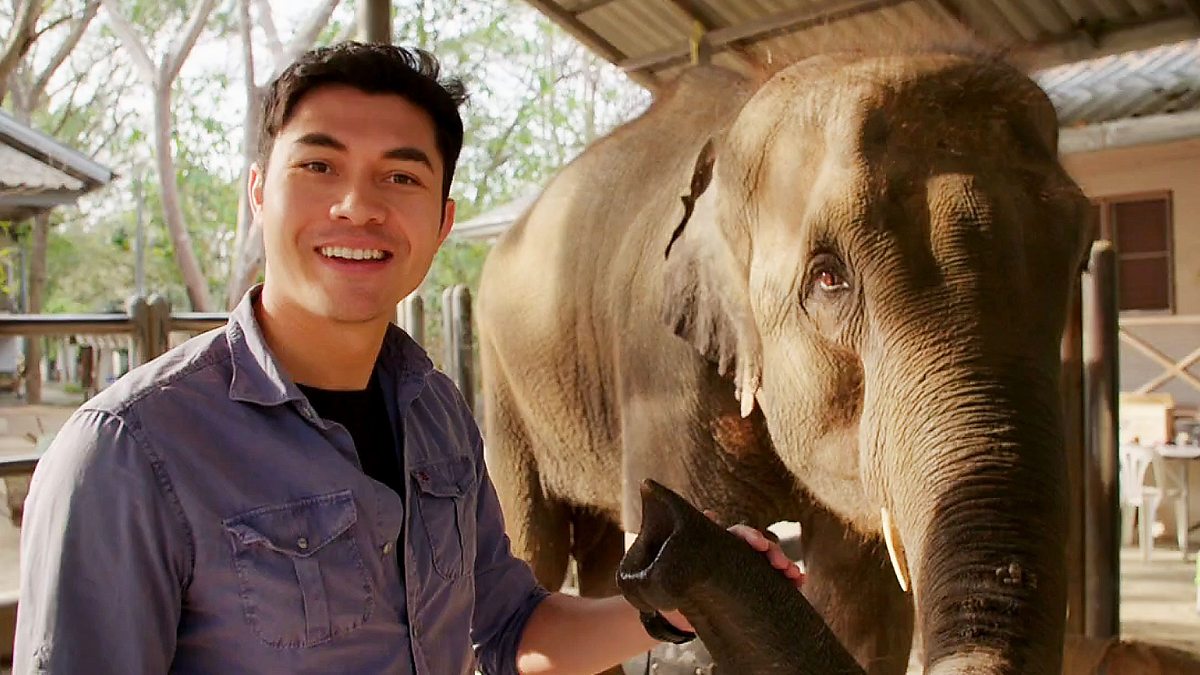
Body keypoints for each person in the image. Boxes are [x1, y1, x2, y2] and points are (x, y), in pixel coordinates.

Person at [13, 42, 803, 674]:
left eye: (400, 175)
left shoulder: (433, 411)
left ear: (441, 219)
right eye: (318, 166)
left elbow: (510, 627)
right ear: (259, 193)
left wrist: (675, 601)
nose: (358, 204)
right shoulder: (126, 453)